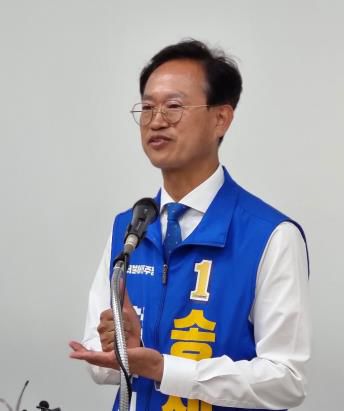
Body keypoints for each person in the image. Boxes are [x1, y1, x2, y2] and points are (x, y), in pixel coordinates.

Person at [69, 39, 310, 411]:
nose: (156, 120)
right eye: (147, 107)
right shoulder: (128, 229)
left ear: (221, 119)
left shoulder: (270, 235)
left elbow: (286, 381)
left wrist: (165, 369)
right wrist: (122, 350)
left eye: (174, 106)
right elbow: (101, 365)